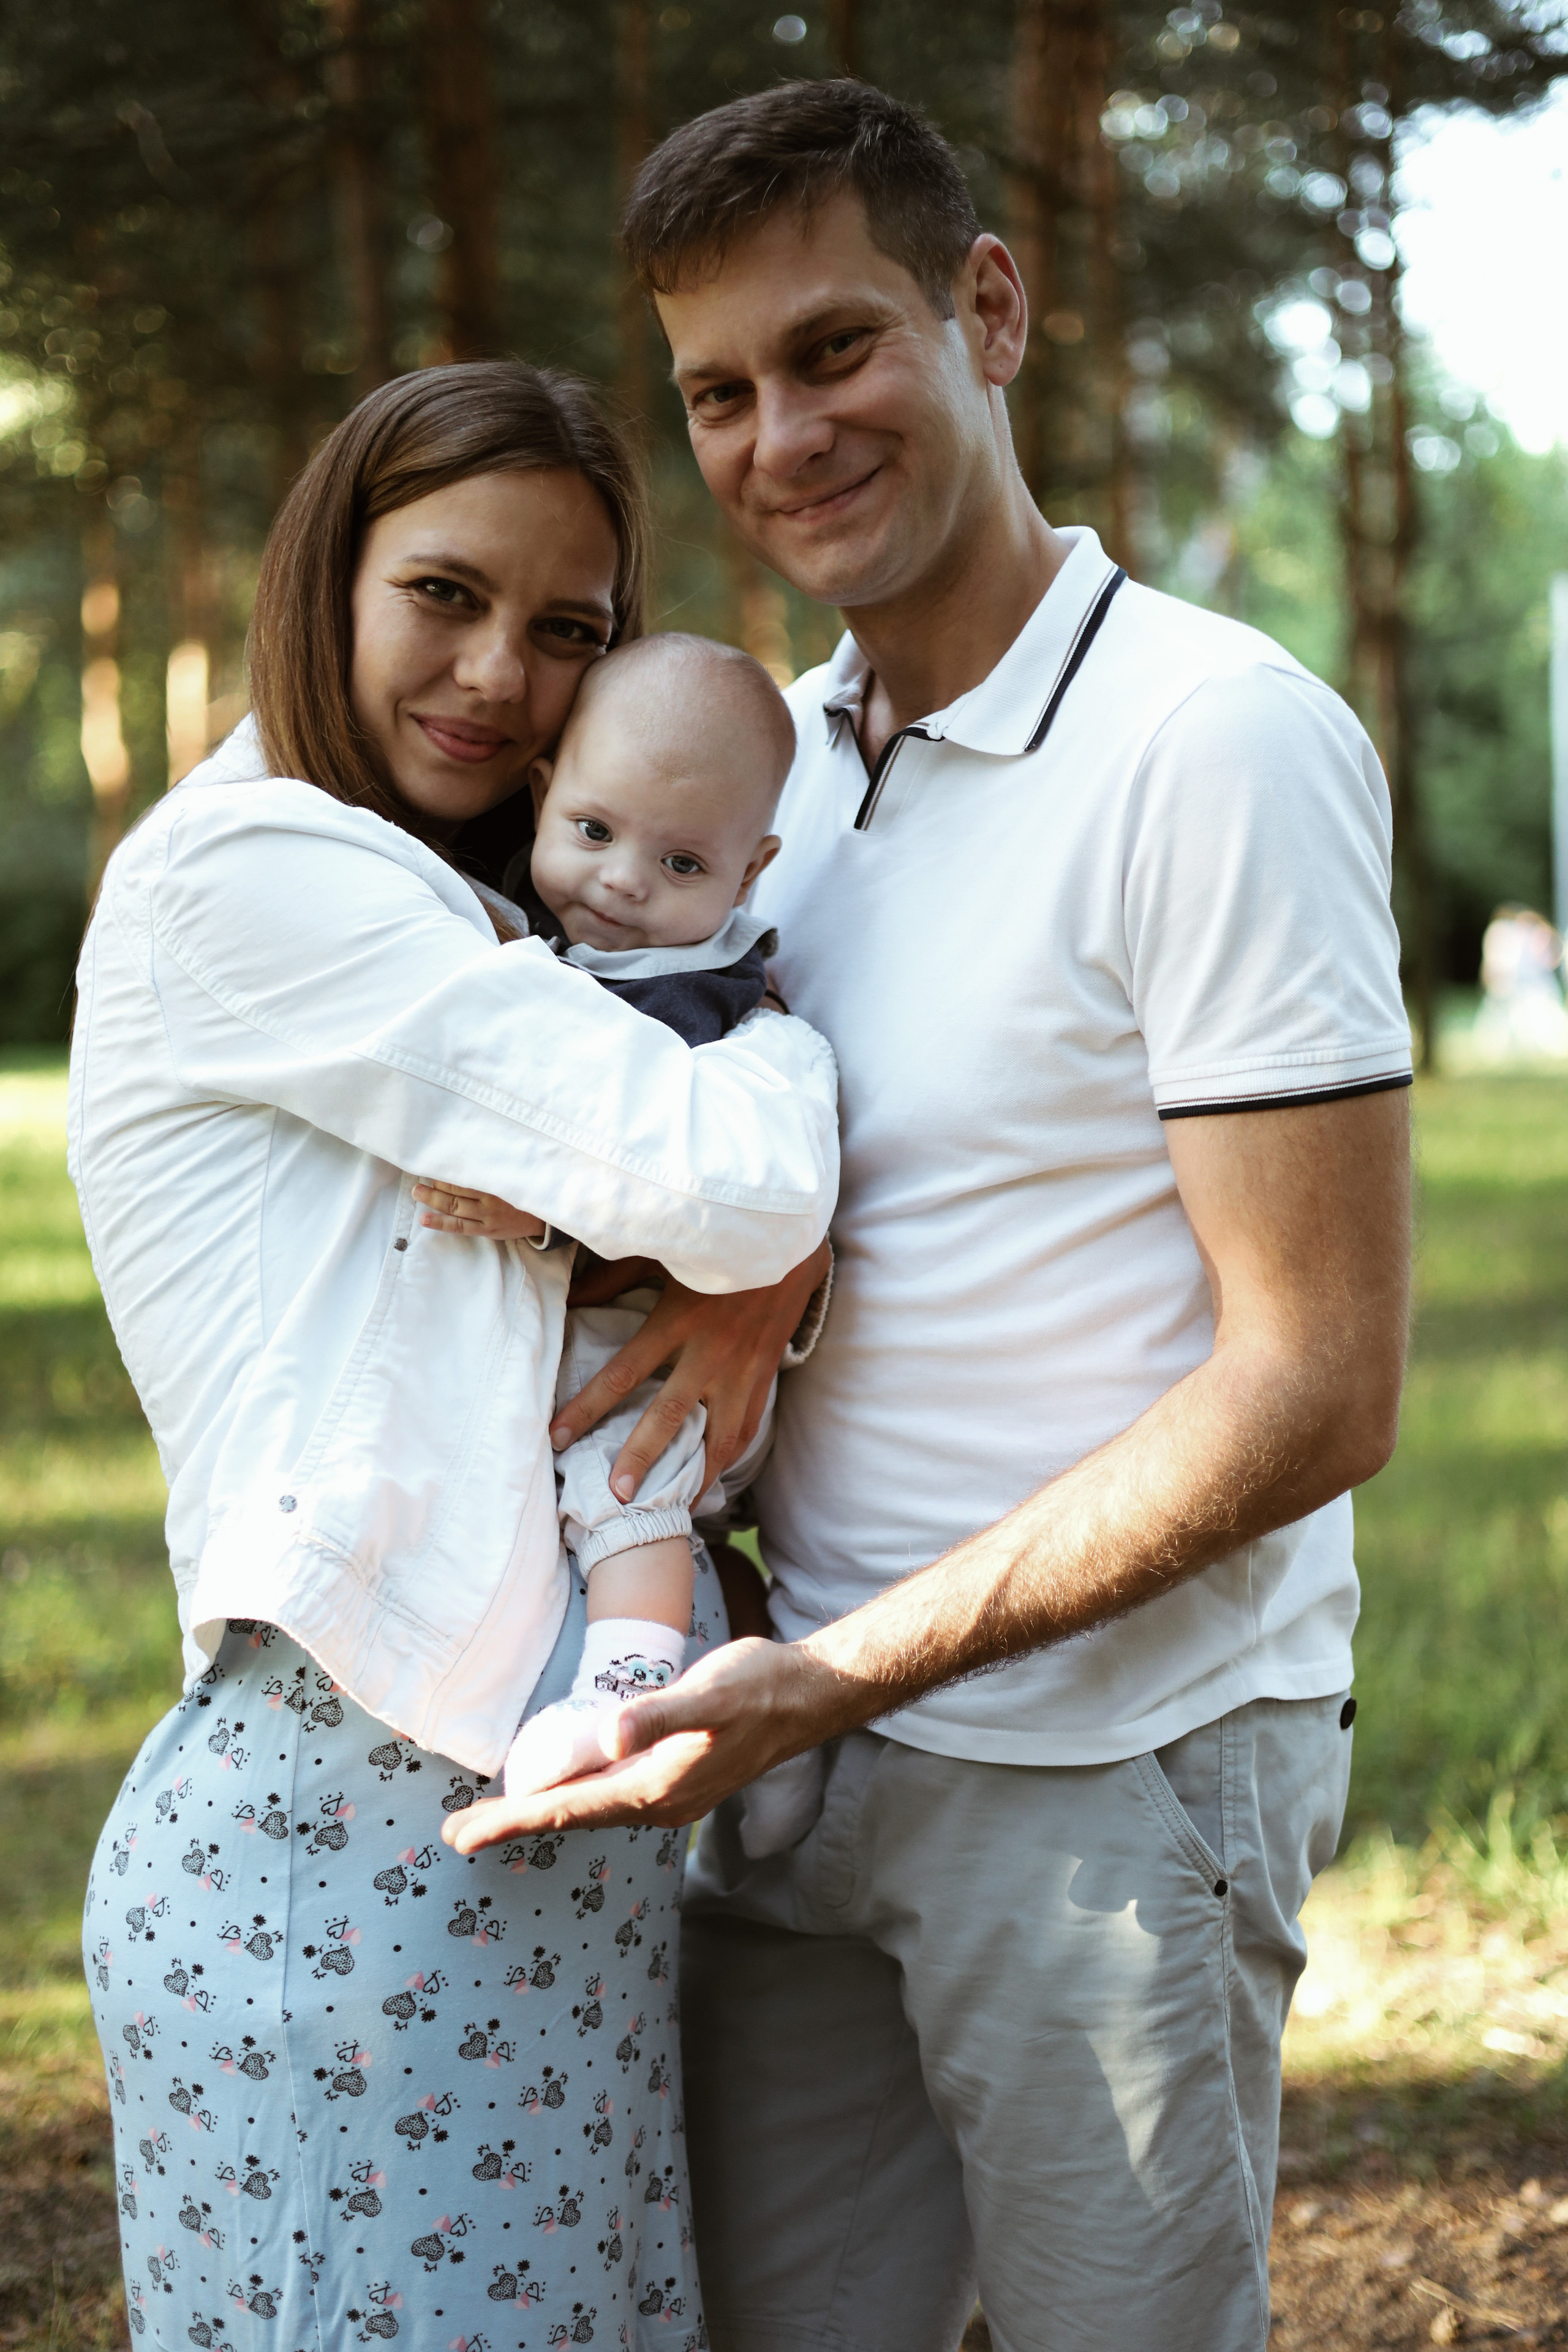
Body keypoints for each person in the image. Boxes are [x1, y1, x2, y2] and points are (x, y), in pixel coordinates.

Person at [451, 84, 1414, 2352]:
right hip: (781, 1747)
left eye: (833, 349)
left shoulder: (1215, 740)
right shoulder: (759, 771)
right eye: (718, 392)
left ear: (989, 310)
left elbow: (1321, 1382)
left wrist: (843, 1675)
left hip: (1111, 1768)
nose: (780, 437)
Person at [72, 361, 836, 2352]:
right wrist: (745, 1244)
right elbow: (733, 1179)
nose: (502, 673)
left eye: (566, 627)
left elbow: (703, 1205)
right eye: (443, 592)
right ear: (326, 572)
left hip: (524, 1863)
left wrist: (743, 1267)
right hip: (344, 1857)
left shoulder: (486, 903)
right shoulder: (256, 874)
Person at [412, 630, 828, 1828]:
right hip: (561, 1349)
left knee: (622, 1482)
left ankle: (629, 1690)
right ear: (544, 792)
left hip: (662, 1357)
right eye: (592, 831)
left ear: (749, 873)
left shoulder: (718, 1009)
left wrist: (548, 1208)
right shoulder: (515, 937)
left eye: (682, 861)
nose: (625, 882)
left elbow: (703, 1170)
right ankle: (749, 1706)